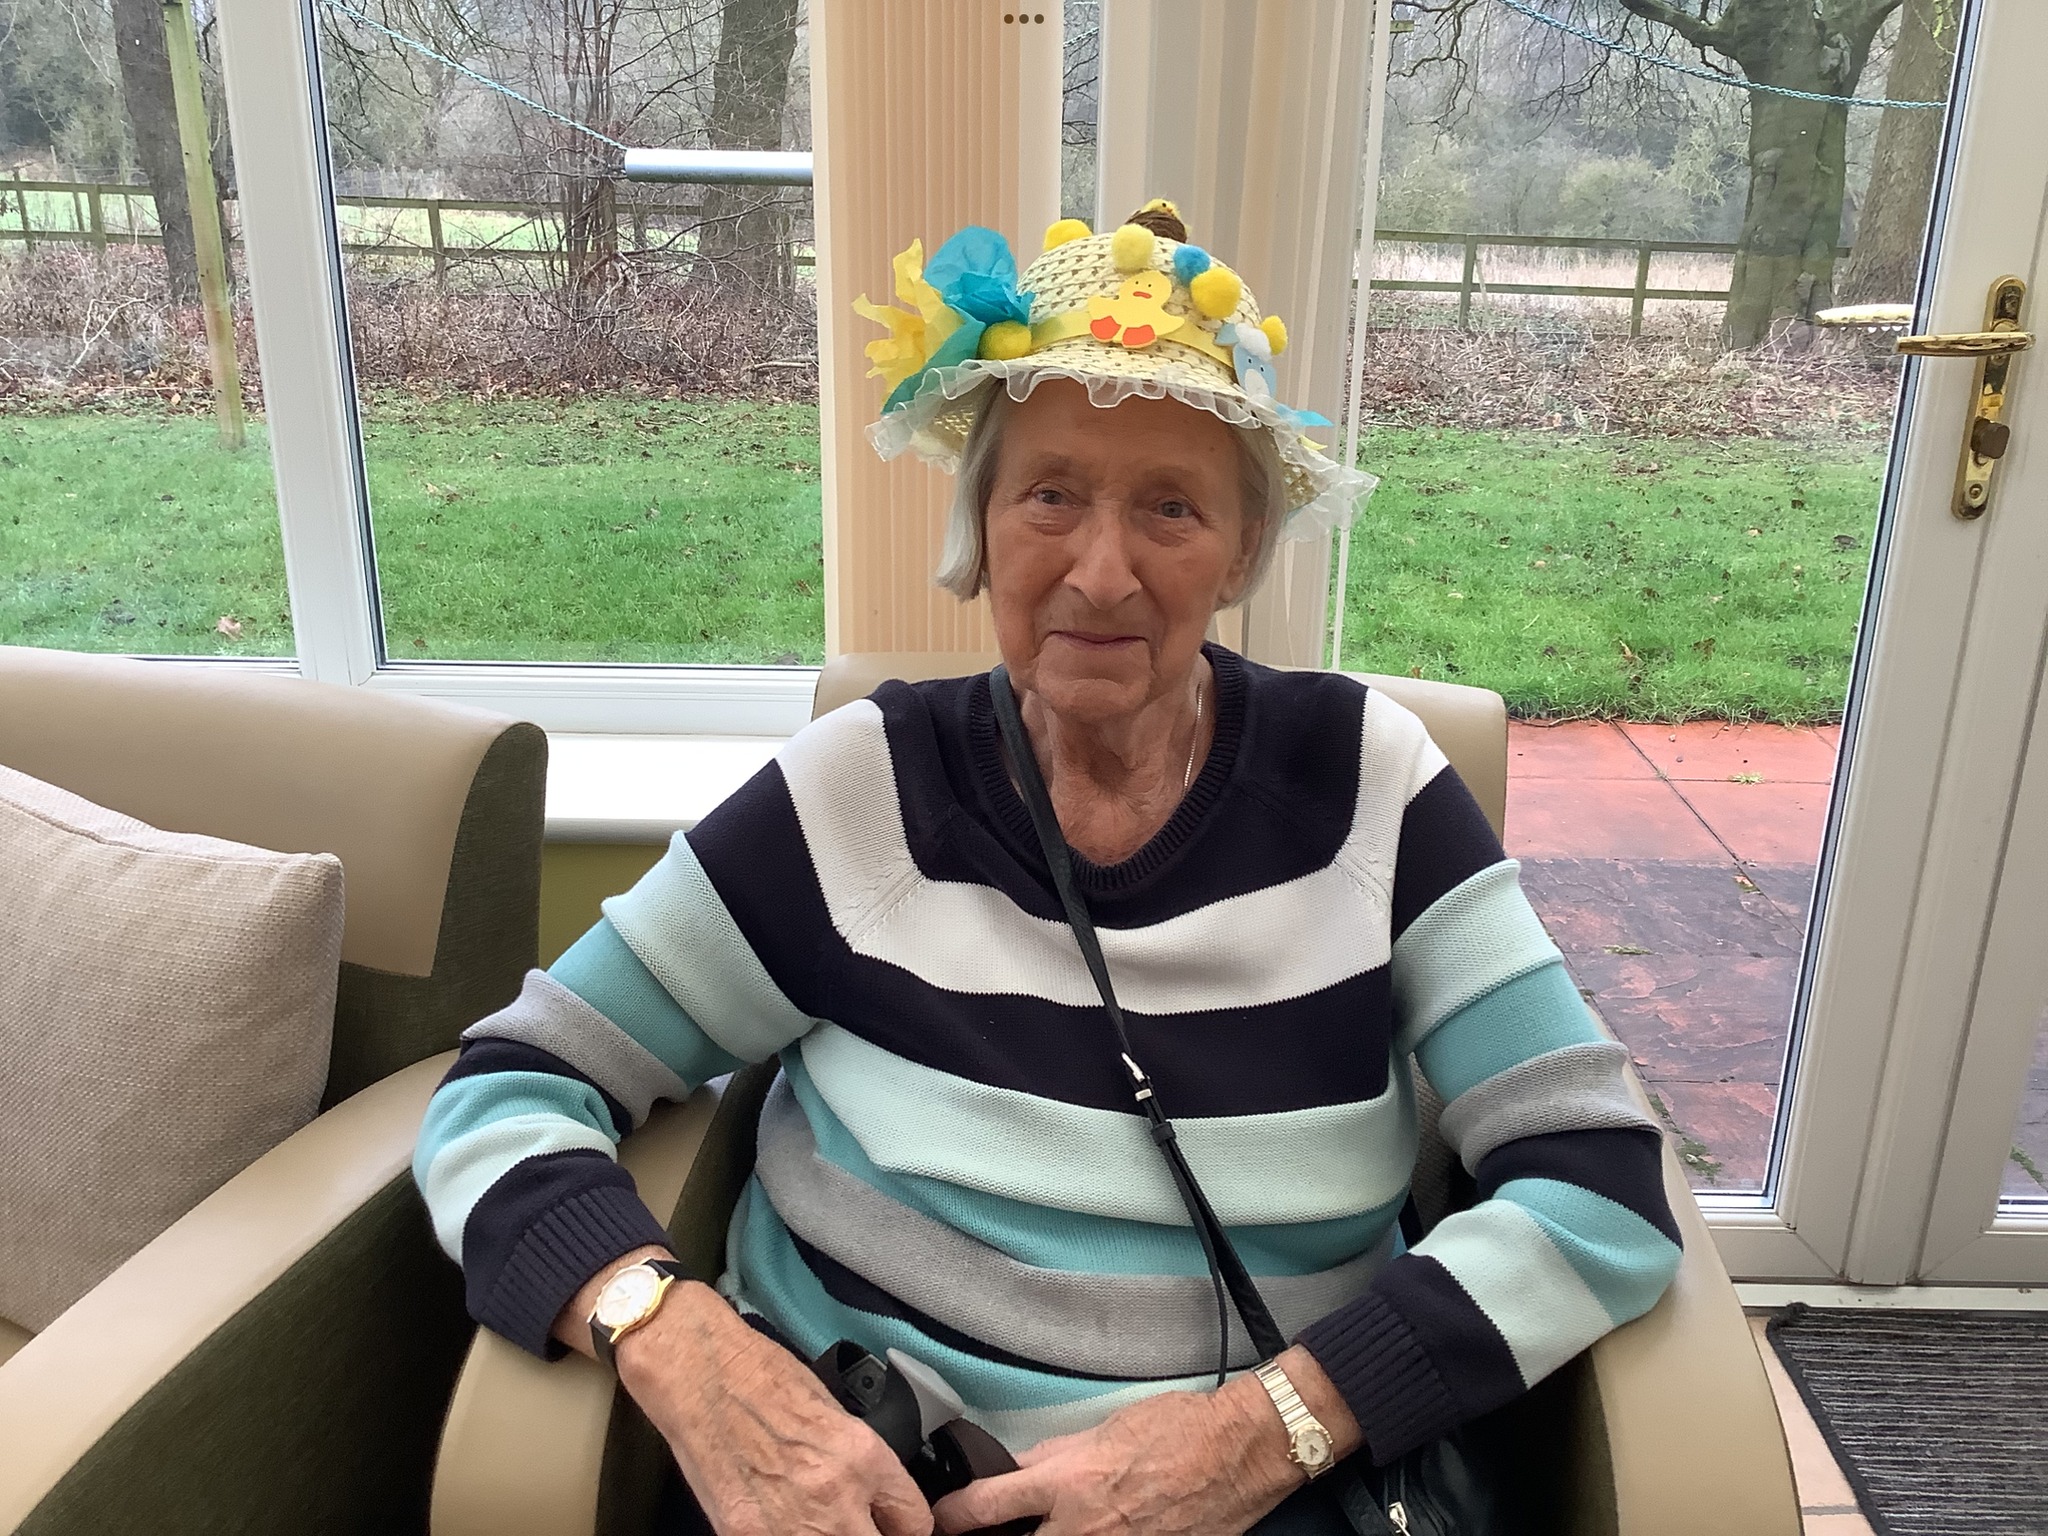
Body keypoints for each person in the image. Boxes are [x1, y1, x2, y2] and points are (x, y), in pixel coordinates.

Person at [413, 200, 1682, 1536]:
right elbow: (511, 1086)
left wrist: (1266, 1433)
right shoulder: (860, 795)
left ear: (1245, 548)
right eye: (1051, 495)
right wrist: (685, 1349)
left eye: (1172, 508)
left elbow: (1594, 1181)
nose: (1101, 571)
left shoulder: (1369, 786)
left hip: (1263, 1499)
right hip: (865, 1495)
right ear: (983, 524)